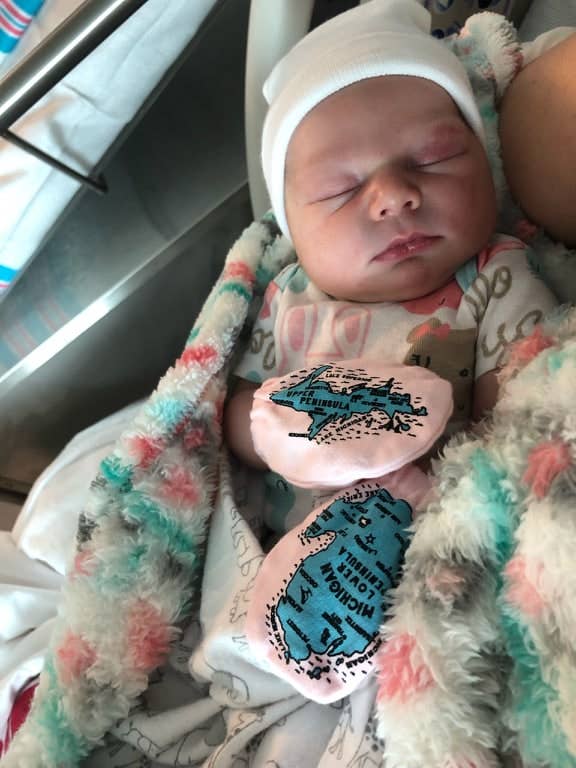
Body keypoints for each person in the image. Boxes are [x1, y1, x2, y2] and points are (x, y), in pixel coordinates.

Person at [220, 0, 558, 704]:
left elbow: (523, 412)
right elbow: (227, 415)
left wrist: (429, 470)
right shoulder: (286, 296)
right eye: (340, 189)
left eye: (434, 158)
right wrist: (280, 431)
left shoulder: (493, 275)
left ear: (487, 167)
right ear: (292, 227)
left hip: (431, 573)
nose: (396, 196)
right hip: (289, 577)